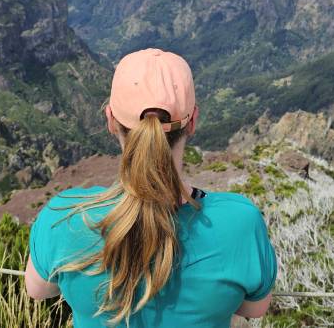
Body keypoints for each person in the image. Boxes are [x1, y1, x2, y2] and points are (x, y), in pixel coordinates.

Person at [25, 48, 277, 327]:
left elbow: (38, 290)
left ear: (110, 120)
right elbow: (254, 309)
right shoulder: (241, 222)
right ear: (192, 122)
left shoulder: (63, 216)